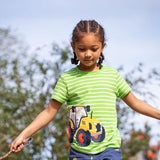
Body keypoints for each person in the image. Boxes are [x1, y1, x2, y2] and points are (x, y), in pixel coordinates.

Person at [11, 20, 160, 160]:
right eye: (82, 49)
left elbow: (135, 102)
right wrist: (23, 135)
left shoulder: (112, 75)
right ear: (73, 47)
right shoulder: (67, 79)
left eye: (94, 49)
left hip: (110, 149)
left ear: (102, 47)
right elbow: (49, 111)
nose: (88, 54)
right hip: (80, 152)